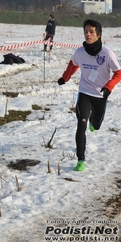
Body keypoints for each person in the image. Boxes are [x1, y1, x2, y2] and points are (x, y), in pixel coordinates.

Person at [57, 19, 121, 172]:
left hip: (100, 95)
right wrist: (65, 78)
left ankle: (94, 121)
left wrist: (108, 87)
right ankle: (81, 159)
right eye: (86, 31)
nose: (88, 34)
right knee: (81, 125)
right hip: (84, 93)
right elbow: (73, 64)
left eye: (91, 32)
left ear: (98, 35)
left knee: (96, 125)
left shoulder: (107, 54)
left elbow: (118, 73)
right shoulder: (80, 52)